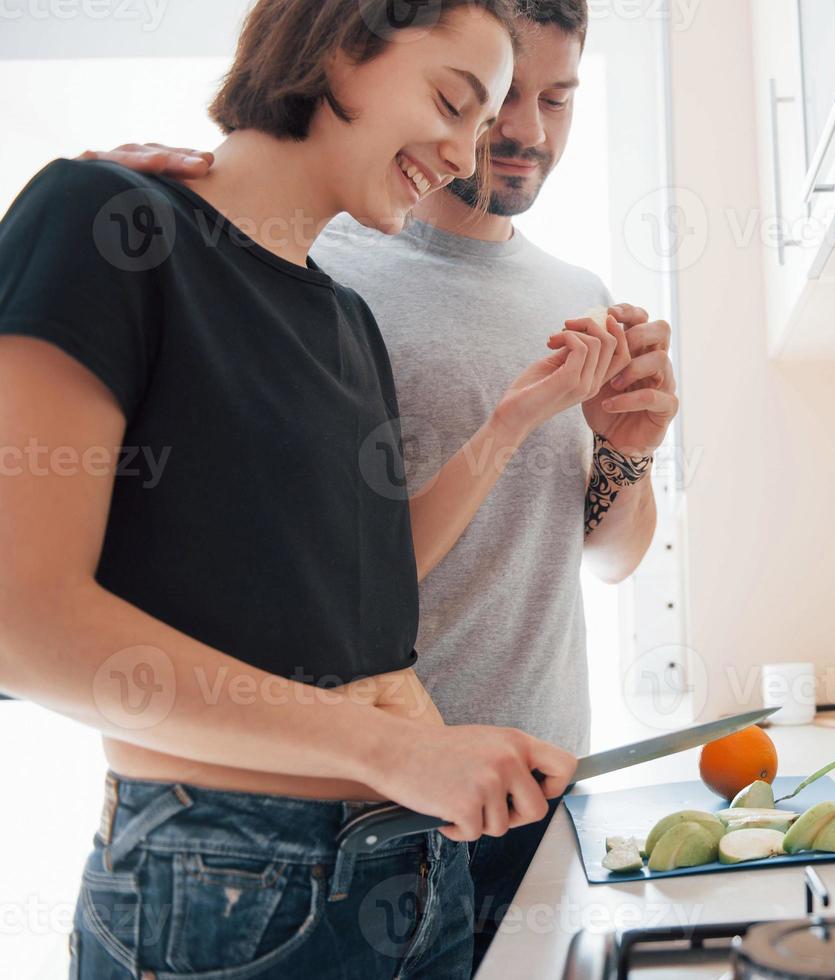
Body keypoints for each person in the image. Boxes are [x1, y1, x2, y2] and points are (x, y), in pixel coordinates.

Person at [0, 0, 631, 976]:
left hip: (411, 870)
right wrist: (389, 750)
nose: (470, 149)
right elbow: (19, 619)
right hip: (227, 885)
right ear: (340, 45)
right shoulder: (104, 213)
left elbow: (370, 580)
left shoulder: (345, 321)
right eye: (454, 99)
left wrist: (513, 419)